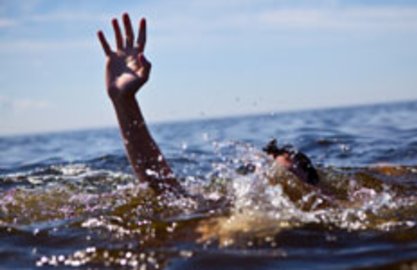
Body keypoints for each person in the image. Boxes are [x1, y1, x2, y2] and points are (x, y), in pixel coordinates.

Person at [97, 13, 319, 195]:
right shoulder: (227, 205)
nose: (270, 174)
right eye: (267, 168)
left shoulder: (320, 210)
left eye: (287, 169)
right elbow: (165, 189)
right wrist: (123, 101)